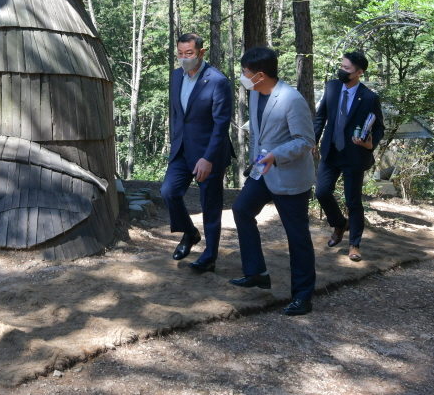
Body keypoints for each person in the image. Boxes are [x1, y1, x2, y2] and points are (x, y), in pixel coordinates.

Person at [230, 47, 317, 316]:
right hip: (262, 169)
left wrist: (275, 156)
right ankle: (257, 272)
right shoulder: (256, 93)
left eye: (245, 72)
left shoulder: (292, 99)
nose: (242, 76)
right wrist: (256, 163)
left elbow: (306, 140)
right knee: (241, 210)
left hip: (289, 175)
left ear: (260, 75)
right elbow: (258, 134)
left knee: (297, 236)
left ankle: (302, 296)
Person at [160, 33, 234, 273]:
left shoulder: (217, 81)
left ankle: (210, 256)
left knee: (210, 206)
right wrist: (174, 142)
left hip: (209, 153)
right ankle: (190, 233)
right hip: (182, 149)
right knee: (169, 192)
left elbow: (221, 124)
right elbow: (176, 114)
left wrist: (208, 158)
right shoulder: (176, 76)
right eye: (180, 53)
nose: (184, 58)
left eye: (189, 53)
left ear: (201, 52)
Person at [313, 51, 385, 262]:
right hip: (330, 151)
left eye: (347, 68)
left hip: (354, 156)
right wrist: (313, 141)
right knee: (321, 192)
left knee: (353, 201)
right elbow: (321, 116)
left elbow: (379, 128)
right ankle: (339, 224)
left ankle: (354, 245)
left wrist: (370, 143)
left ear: (359, 72)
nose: (342, 71)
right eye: (341, 66)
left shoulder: (369, 97)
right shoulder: (332, 87)